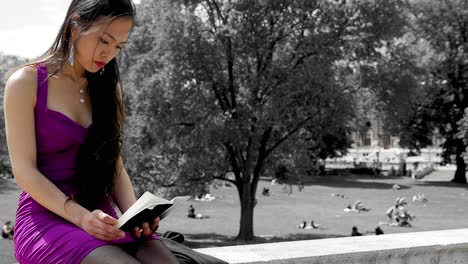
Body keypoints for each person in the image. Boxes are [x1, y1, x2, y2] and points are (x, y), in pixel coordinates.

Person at [3, 1, 180, 263]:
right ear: (75, 25)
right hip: (46, 220)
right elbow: (24, 172)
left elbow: (114, 166)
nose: (109, 53)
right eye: (104, 40)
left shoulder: (109, 89)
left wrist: (135, 215)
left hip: (102, 218)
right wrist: (81, 217)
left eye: (118, 46)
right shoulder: (25, 83)